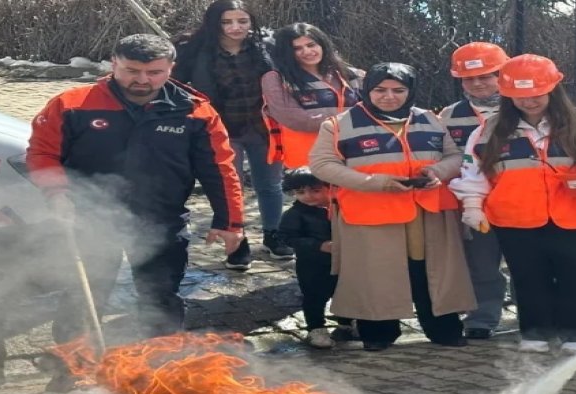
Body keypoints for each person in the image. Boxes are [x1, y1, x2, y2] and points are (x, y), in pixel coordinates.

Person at [27, 34, 244, 351]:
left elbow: (220, 168)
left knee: (160, 296)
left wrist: (230, 222)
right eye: (131, 70)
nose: (142, 80)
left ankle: (161, 362)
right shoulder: (72, 104)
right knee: (84, 294)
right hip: (89, 218)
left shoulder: (196, 112)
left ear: (171, 67)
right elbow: (42, 153)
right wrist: (57, 193)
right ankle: (72, 363)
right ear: (113, 63)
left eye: (154, 72)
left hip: (161, 219)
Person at [450, 54, 576, 354]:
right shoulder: (489, 130)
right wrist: (472, 204)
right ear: (508, 96)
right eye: (519, 96)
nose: (528, 102)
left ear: (553, 89)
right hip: (515, 217)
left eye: (536, 94)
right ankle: (536, 332)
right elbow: (474, 171)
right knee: (528, 275)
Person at [309, 62, 475, 352]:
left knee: (433, 271)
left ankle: (443, 328)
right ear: (367, 90)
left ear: (410, 92)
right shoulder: (338, 124)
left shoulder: (431, 119)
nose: (389, 96)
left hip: (429, 213)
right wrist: (374, 182)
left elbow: (456, 156)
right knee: (375, 273)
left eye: (399, 90)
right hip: (371, 212)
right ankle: (378, 332)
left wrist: (438, 171)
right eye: (380, 90)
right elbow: (322, 165)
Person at [173, 0, 291, 269]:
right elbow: (175, 84)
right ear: (215, 22)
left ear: (251, 21)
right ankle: (237, 241)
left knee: (270, 184)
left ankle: (274, 234)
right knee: (230, 187)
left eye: (242, 21)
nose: (235, 28)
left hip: (264, 127)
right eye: (227, 22)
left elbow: (298, 73)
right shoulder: (195, 49)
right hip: (222, 129)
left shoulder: (267, 46)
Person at [440, 42, 511, 341]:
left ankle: (537, 312)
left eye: (486, 75)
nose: (478, 83)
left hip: (520, 199)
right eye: (469, 78)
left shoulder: (525, 106)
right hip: (474, 203)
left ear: (502, 74)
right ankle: (483, 315)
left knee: (530, 261)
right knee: (481, 262)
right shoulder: (448, 116)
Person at [262, 23, 363, 170]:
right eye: (297, 48)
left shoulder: (350, 74)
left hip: (352, 152)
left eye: (311, 45)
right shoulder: (275, 79)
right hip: (309, 159)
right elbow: (295, 119)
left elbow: (373, 107)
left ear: (322, 45)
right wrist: (353, 121)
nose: (307, 51)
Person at [276, 168, 342, 348]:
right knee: (314, 297)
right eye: (300, 192)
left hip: (342, 263)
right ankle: (316, 328)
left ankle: (346, 322)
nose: (308, 196)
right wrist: (317, 245)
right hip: (311, 264)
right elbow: (286, 237)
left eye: (315, 190)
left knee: (344, 292)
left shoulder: (340, 207)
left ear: (329, 188)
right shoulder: (294, 214)